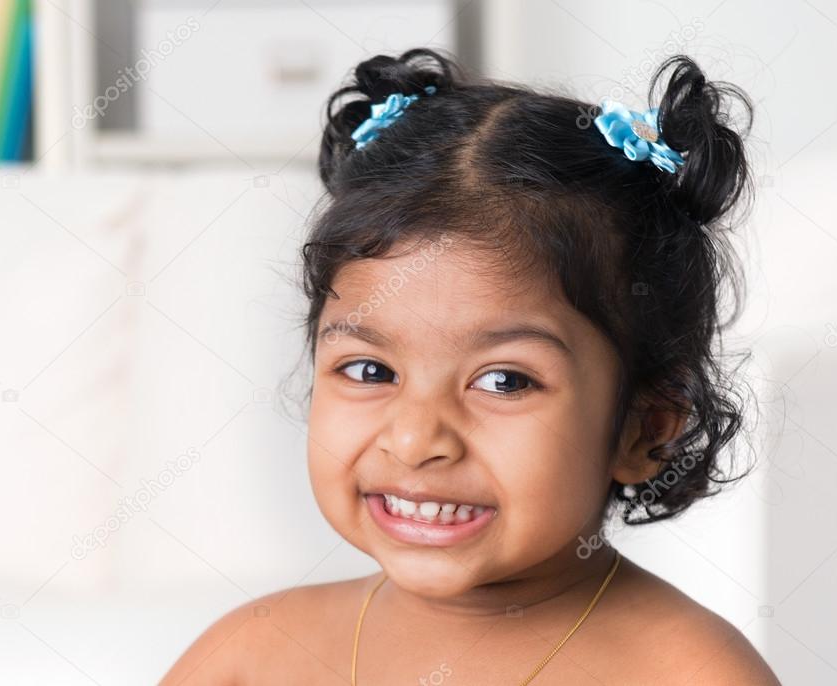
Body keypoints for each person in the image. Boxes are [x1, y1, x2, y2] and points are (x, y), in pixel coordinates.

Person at [158, 47, 781, 685]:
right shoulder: (247, 655)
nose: (415, 439)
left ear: (645, 427)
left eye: (505, 381)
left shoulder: (691, 674)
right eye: (370, 371)